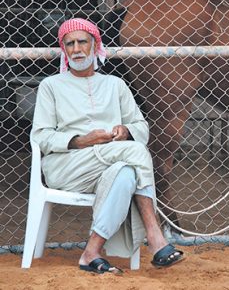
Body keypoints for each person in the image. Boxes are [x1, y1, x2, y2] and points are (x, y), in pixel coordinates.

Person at [31, 18, 184, 274]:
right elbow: (40, 136)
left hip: (111, 162)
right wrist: (80, 140)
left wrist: (127, 130)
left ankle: (91, 252)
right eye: (69, 44)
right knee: (136, 152)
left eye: (82, 42)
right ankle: (154, 235)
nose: (77, 49)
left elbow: (141, 127)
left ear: (95, 45)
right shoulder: (51, 86)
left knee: (126, 174)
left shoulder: (116, 85)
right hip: (68, 165)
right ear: (64, 50)